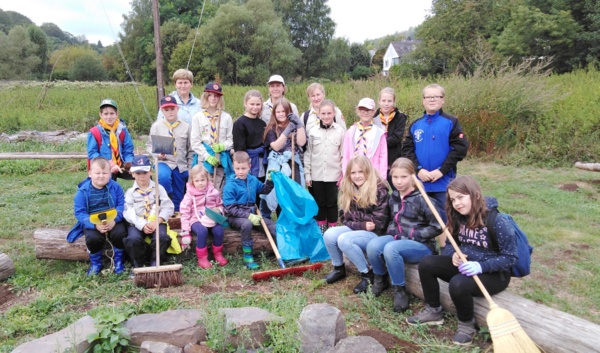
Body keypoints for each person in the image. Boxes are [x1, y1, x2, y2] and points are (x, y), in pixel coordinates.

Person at [406, 176, 517, 346]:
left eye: (461, 197)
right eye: (453, 199)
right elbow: (450, 244)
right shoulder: (459, 217)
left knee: (458, 283)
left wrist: (481, 266)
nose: (457, 203)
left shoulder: (497, 221)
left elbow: (510, 258)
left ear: (475, 195)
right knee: (427, 263)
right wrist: (453, 255)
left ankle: (466, 325)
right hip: (465, 265)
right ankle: (433, 311)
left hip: (495, 274)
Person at [366, 158, 442, 312]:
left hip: (421, 245)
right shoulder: (394, 197)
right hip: (398, 238)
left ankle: (400, 290)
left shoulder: (423, 199)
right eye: (395, 177)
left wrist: (414, 233)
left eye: (404, 177)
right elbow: (393, 221)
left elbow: (438, 227)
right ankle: (380, 279)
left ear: (413, 176)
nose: (399, 182)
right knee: (373, 245)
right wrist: (391, 232)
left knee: (391, 249)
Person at [323, 155, 389, 294]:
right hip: (361, 228)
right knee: (329, 234)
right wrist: (362, 224)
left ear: (368, 172)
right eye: (353, 172)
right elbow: (343, 217)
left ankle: (367, 274)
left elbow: (378, 223)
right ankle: (338, 268)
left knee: (344, 239)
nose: (357, 176)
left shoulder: (380, 189)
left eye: (361, 172)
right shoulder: (349, 188)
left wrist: (355, 219)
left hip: (376, 235)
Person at [402, 84, 469, 222]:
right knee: (421, 219)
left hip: (443, 181)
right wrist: (418, 169)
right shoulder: (416, 125)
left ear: (443, 100)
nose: (432, 100)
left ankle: (447, 243)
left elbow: (460, 149)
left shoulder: (451, 122)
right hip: (421, 182)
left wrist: (441, 170)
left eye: (436, 97)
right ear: (423, 100)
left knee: (446, 219)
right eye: (428, 97)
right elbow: (407, 149)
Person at [72, 157, 128, 275]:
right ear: (90, 174)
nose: (101, 176)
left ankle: (119, 262)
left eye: (105, 173)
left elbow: (121, 205)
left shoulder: (116, 187)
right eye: (97, 173)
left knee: (120, 233)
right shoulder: (82, 192)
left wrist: (115, 220)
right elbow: (80, 212)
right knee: (93, 239)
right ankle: (96, 263)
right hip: (93, 221)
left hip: (113, 219)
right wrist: (94, 225)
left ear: (110, 174)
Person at [223, 151, 276, 270]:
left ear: (249, 167)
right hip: (235, 216)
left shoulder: (253, 180)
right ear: (233, 167)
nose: (241, 171)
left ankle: (284, 253)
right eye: (237, 168)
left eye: (243, 168)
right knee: (247, 224)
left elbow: (265, 190)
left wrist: (270, 180)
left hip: (252, 213)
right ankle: (248, 256)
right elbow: (230, 208)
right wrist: (248, 216)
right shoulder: (230, 185)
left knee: (272, 226)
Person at [123, 155, 174, 271]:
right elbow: (128, 212)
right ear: (132, 174)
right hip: (137, 221)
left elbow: (168, 207)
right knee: (132, 239)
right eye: (138, 173)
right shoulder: (130, 193)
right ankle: (138, 265)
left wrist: (158, 221)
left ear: (150, 172)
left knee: (162, 237)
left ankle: (155, 262)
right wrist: (141, 225)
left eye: (145, 172)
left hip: (155, 220)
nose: (142, 176)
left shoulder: (159, 188)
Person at [304, 99, 345, 234]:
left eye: (329, 113)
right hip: (317, 175)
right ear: (319, 114)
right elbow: (308, 154)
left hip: (334, 175)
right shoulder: (313, 131)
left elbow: (343, 154)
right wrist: (307, 174)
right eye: (323, 113)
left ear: (334, 113)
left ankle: (332, 231)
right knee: (319, 204)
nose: (326, 116)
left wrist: (343, 175)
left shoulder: (340, 131)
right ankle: (321, 232)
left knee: (332, 204)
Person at [147, 95, 193, 212]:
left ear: (177, 108)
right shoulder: (157, 126)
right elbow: (149, 146)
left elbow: (190, 149)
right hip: (164, 161)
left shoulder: (186, 127)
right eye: (166, 110)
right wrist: (157, 155)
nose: (170, 112)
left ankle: (177, 214)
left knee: (179, 190)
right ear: (162, 111)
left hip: (180, 163)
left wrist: (189, 167)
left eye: (172, 109)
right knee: (163, 177)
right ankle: (165, 203)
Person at [179, 165, 227, 269]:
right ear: (192, 181)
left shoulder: (213, 192)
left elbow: (220, 205)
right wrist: (185, 231)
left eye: (202, 180)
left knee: (219, 231)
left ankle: (217, 254)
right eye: (197, 181)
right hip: (196, 219)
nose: (200, 183)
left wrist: (218, 211)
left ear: (207, 179)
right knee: (202, 231)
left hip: (211, 219)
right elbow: (184, 212)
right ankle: (202, 258)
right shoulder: (190, 195)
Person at [190, 82, 233, 191]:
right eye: (210, 95)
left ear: (220, 98)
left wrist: (223, 146)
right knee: (202, 189)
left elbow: (231, 140)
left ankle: (216, 207)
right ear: (205, 97)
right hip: (204, 160)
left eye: (216, 96)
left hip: (220, 159)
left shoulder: (226, 118)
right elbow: (195, 142)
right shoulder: (198, 117)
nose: (213, 98)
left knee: (218, 189)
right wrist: (207, 156)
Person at [87, 98, 134, 180]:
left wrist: (128, 161)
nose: (109, 117)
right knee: (110, 181)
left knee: (141, 173)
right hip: (104, 166)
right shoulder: (94, 132)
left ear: (117, 114)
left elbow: (128, 149)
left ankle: (141, 192)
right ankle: (113, 192)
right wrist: (109, 164)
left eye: (112, 113)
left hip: (121, 164)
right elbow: (93, 154)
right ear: (100, 115)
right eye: (106, 114)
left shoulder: (122, 130)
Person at [342, 98, 388, 179]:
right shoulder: (351, 132)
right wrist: (345, 175)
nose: (365, 113)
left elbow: (383, 156)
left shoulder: (379, 133)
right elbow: (346, 155)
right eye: (362, 110)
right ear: (357, 111)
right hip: (354, 174)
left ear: (374, 112)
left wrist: (382, 178)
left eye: (369, 110)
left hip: (372, 174)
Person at [374, 87, 408, 188]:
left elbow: (397, 137)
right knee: (378, 189)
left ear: (394, 102)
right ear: (379, 101)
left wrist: (380, 143)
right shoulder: (374, 117)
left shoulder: (400, 117)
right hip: (378, 159)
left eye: (389, 101)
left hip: (393, 157)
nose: (386, 103)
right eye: (383, 100)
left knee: (396, 187)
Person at [232, 90, 267, 179]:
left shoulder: (262, 124)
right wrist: (243, 167)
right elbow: (239, 149)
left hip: (261, 163)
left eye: (258, 104)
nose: (255, 107)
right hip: (247, 162)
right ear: (245, 103)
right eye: (252, 104)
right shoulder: (240, 123)